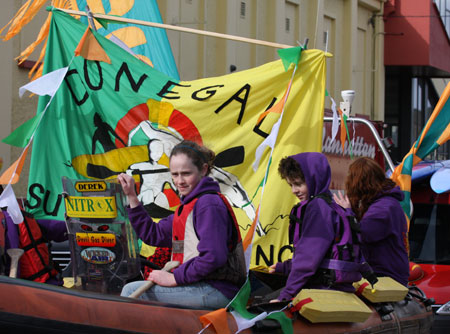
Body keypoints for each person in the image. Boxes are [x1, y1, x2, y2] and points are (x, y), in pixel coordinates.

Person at [118, 140, 246, 309]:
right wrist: (132, 197)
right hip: (198, 284)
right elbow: (153, 234)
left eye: (186, 173)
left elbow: (213, 257)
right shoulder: (188, 207)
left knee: (130, 291)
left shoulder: (208, 204)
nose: (179, 181)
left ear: (203, 169)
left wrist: (174, 278)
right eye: (175, 174)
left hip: (217, 290)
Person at [270, 152, 362, 302]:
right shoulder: (328, 204)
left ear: (314, 179)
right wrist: (284, 267)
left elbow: (307, 260)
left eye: (299, 184)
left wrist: (285, 296)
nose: (294, 190)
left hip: (322, 289)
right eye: (291, 185)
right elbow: (319, 255)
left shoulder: (317, 208)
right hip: (336, 287)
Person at [333, 157, 409, 286]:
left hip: (385, 277)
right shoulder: (386, 203)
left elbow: (362, 234)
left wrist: (348, 213)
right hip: (387, 275)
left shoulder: (384, 208)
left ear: (359, 184)